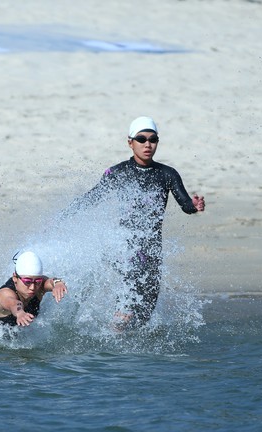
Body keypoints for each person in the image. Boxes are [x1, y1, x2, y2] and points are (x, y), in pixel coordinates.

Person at [63, 116, 205, 328]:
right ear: (130, 142)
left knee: (145, 312)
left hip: (153, 250)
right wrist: (62, 217)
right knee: (128, 306)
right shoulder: (118, 172)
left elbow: (185, 205)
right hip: (126, 249)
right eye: (141, 139)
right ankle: (112, 340)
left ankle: (123, 349)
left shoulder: (167, 174)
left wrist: (194, 206)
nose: (147, 144)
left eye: (153, 139)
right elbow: (93, 197)